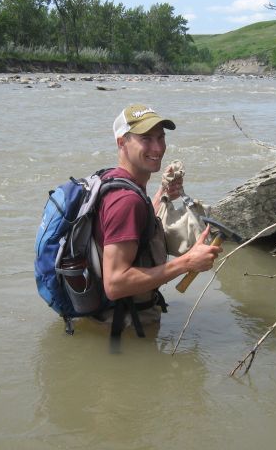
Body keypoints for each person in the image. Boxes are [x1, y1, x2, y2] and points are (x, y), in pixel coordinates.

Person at [92, 104, 222, 337]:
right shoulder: (126, 201)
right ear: (122, 142)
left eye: (161, 137)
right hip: (125, 328)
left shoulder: (111, 178)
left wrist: (162, 195)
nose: (158, 147)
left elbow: (136, 230)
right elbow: (115, 285)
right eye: (146, 139)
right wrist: (187, 262)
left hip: (111, 319)